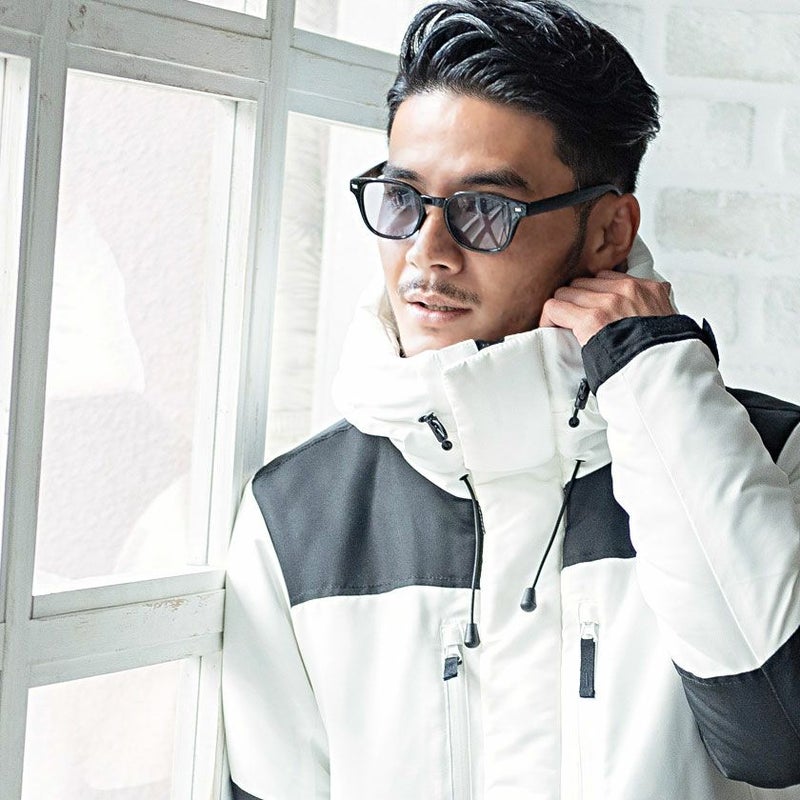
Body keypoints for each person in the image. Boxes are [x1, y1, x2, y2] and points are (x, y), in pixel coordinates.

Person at [221, 1, 800, 797]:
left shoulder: (772, 457)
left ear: (608, 234)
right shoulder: (297, 513)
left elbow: (777, 735)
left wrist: (652, 374)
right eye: (401, 198)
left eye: (483, 210)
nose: (426, 253)